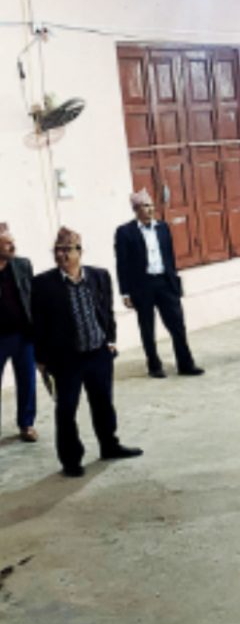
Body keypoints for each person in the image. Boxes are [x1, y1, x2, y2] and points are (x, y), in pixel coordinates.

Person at [31, 227, 142, 477]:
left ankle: (109, 445)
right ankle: (71, 460)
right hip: (65, 359)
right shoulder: (42, 284)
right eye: (57, 250)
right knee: (66, 409)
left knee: (103, 403)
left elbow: (107, 311)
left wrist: (111, 340)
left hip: (98, 353)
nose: (61, 255)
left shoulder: (99, 276)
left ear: (79, 251)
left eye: (67, 250)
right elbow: (37, 324)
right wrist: (41, 359)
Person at [114, 189, 203, 378]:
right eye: (145, 206)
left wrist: (175, 281)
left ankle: (185, 363)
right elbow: (122, 263)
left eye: (151, 205)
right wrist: (125, 292)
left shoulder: (162, 227)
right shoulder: (125, 232)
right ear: (136, 209)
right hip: (142, 285)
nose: (150, 209)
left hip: (164, 282)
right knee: (147, 327)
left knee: (177, 325)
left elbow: (169, 256)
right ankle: (154, 365)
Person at [0, 223, 38, 442]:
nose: (13, 246)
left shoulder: (23, 265)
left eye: (13, 242)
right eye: (7, 243)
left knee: (27, 381)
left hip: (23, 335)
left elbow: (31, 297)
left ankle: (27, 424)